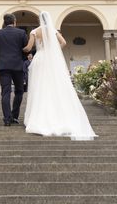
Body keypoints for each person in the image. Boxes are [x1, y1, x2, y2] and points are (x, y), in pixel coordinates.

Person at [23, 11, 96, 140]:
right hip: (52, 59)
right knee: (54, 86)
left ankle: (39, 116)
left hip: (40, 59)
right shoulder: (54, 31)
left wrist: (22, 49)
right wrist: (54, 51)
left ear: (40, 20)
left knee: (40, 87)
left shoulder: (34, 32)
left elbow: (29, 47)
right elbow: (64, 42)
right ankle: (58, 115)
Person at [0, 13, 28, 126]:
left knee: (5, 92)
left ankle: (7, 118)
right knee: (19, 91)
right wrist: (22, 60)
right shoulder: (21, 33)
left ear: (4, 22)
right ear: (14, 22)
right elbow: (26, 51)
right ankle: (14, 116)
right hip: (18, 66)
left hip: (3, 67)